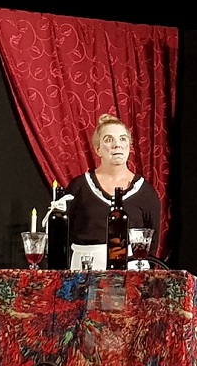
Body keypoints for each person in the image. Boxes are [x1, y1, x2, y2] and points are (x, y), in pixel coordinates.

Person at [65, 113, 162, 265]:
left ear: (129, 146)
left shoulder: (146, 193)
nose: (117, 145)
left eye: (122, 139)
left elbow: (152, 243)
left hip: (132, 272)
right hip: (84, 270)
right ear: (98, 149)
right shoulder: (79, 188)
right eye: (109, 139)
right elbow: (63, 235)